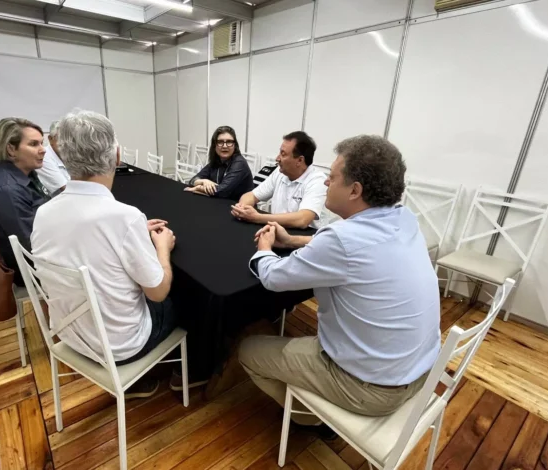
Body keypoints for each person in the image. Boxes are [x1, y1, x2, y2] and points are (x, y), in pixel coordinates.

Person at [239, 135, 440, 429]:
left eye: (332, 178)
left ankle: (312, 418)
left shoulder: (342, 239)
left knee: (248, 350)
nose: (325, 184)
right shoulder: (404, 219)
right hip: (421, 371)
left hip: (370, 388)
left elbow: (272, 277)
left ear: (355, 190)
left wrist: (264, 249)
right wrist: (294, 239)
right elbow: (353, 251)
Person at [31, 110, 184, 398]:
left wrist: (135, 232)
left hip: (71, 336)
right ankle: (192, 371)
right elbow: (158, 292)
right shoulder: (124, 218)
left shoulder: (43, 213)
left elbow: (86, 241)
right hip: (121, 348)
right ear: (116, 156)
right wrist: (162, 249)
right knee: (184, 298)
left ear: (63, 157)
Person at [0, 117, 50, 285]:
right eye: (34, 144)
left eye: (42, 143)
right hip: (31, 269)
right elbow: (29, 244)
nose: (43, 150)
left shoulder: (24, 174)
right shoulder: (7, 190)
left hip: (42, 250)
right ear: (11, 149)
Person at [232, 131, 326, 229]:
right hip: (276, 230)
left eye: (283, 154)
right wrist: (242, 208)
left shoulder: (317, 180)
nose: (277, 158)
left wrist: (257, 217)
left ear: (299, 160)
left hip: (304, 239)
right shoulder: (279, 172)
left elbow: (302, 220)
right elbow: (251, 195)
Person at [184, 126, 253, 200]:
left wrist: (199, 187)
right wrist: (203, 181)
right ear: (214, 146)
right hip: (221, 202)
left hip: (241, 207)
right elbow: (192, 180)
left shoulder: (239, 163)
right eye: (220, 142)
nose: (225, 146)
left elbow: (222, 191)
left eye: (229, 142)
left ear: (235, 145)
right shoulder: (217, 161)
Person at [36, 120, 70, 195]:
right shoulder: (43, 157)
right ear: (50, 139)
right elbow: (67, 190)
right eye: (61, 138)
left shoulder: (70, 155)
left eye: (70, 138)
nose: (67, 143)